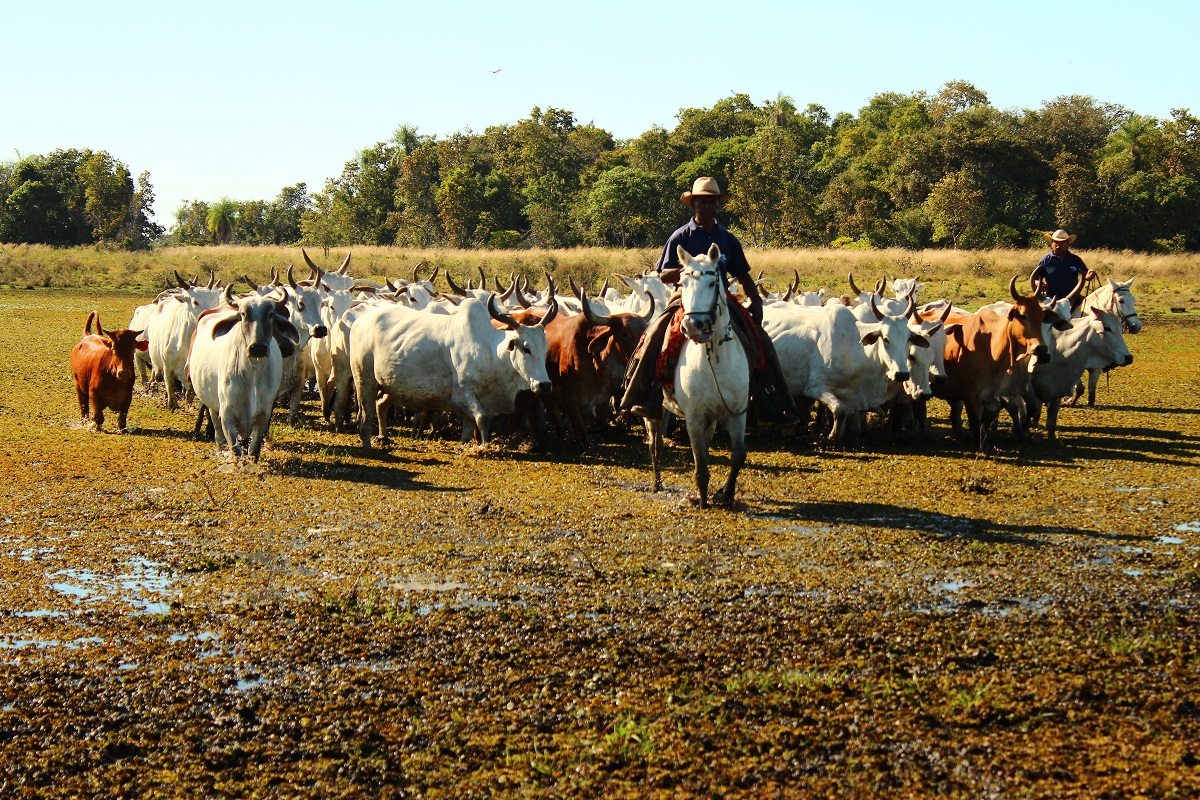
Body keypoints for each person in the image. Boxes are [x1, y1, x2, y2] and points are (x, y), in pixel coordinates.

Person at [619, 177, 798, 426]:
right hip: (685, 297)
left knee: (760, 338)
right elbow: (663, 273)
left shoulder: (727, 239)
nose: (706, 206)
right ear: (693, 205)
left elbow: (741, 273)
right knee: (655, 333)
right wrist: (684, 272)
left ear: (717, 205)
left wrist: (755, 300)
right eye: (701, 202)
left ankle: (773, 401)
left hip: (720, 297)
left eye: (711, 202)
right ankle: (642, 395)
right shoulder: (680, 236)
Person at [1030, 229, 1097, 304]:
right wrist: (1039, 283)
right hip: (1051, 301)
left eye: (1062, 242)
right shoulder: (1045, 260)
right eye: (1056, 242)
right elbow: (1035, 279)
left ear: (1067, 243)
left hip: (1072, 300)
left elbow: (1086, 275)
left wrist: (1090, 274)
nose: (1058, 245)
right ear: (1052, 244)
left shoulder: (1075, 260)